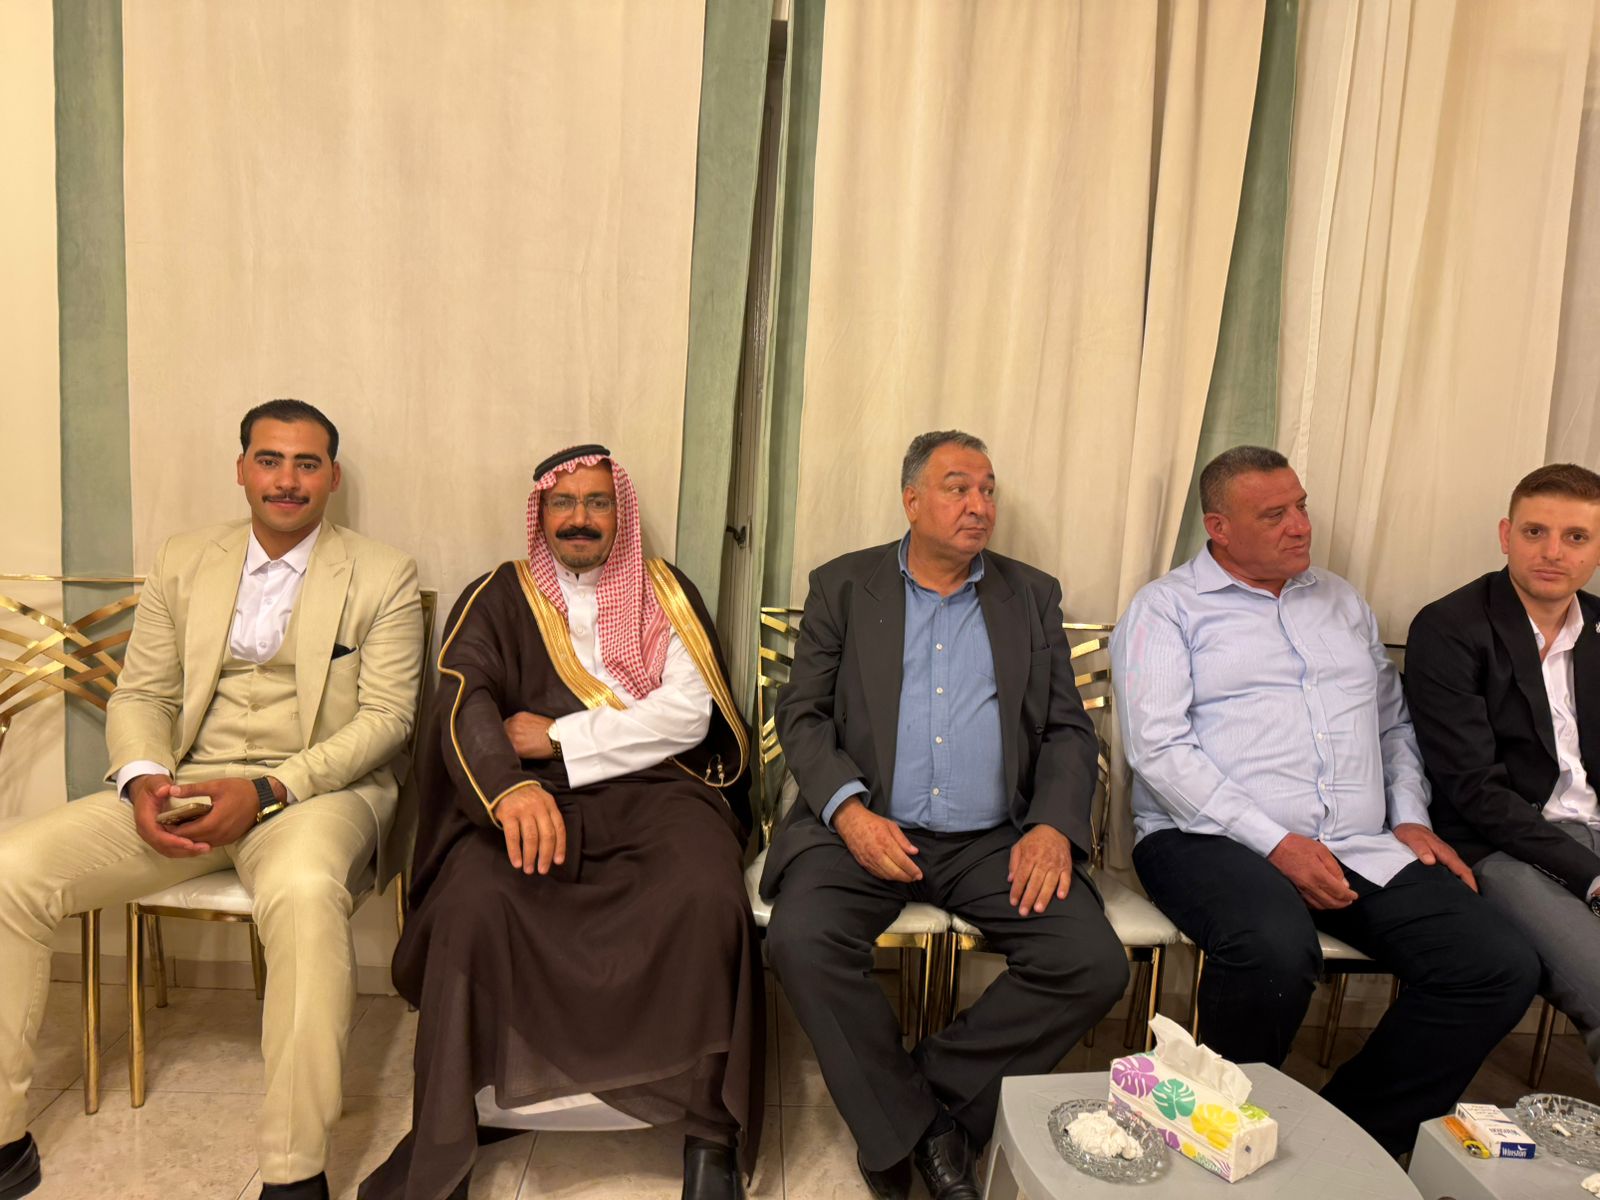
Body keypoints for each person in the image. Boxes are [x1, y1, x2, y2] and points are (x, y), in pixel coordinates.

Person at [0, 399, 424, 1200]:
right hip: (186, 783)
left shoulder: (382, 572)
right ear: (241, 469)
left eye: (306, 464)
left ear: (332, 477)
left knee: (304, 893)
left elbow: (387, 721)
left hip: (314, 792)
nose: (287, 480)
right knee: (11, 868)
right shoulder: (185, 558)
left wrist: (267, 788)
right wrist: (143, 780)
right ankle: (2, 1138)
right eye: (270, 460)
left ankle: (294, 1172)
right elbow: (143, 693)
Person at [1113, 443, 1540, 1157]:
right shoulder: (1166, 608)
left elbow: (1392, 724)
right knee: (1274, 950)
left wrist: (1409, 817)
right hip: (1205, 839)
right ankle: (1212, 1135)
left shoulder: (1341, 602)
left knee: (1497, 963)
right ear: (1219, 528)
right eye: (1274, 514)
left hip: (1357, 842)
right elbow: (1158, 749)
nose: (1300, 525)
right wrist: (1276, 843)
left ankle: (1349, 1136)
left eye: (1301, 506)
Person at [360, 446, 761, 1200]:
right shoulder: (498, 594)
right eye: (563, 503)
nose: (580, 518)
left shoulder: (665, 592)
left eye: (597, 502)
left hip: (661, 791)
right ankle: (458, 1123)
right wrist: (506, 790)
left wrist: (559, 737)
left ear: (620, 512)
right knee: (474, 903)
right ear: (540, 513)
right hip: (533, 794)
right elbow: (464, 699)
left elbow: (688, 715)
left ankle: (710, 1129)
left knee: (707, 896)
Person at [762, 431, 1128, 1200]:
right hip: (864, 824)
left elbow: (1067, 729)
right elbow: (802, 716)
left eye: (988, 489)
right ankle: (926, 1133)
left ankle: (919, 1105)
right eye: (959, 487)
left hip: (992, 838)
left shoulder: (1030, 594)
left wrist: (1051, 827)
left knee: (1090, 962)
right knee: (801, 939)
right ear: (912, 501)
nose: (979, 504)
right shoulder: (844, 586)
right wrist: (849, 813)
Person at [1405, 462, 1600, 1088]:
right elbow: (1475, 791)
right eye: (1535, 531)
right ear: (1505, 535)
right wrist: (1593, 878)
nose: (1553, 552)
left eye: (1576, 537)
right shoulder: (1450, 627)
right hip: (1502, 846)